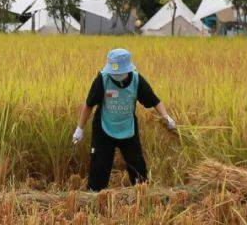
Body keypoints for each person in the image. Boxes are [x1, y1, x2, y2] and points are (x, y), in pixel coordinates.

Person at [73, 48, 177, 191]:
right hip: (104, 129)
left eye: (119, 72)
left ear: (127, 69)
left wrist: (166, 117)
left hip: (127, 129)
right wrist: (80, 128)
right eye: (113, 72)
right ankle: (94, 197)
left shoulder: (136, 80)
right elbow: (89, 104)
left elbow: (154, 101)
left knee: (138, 166)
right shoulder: (102, 79)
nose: (116, 75)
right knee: (99, 166)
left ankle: (142, 194)